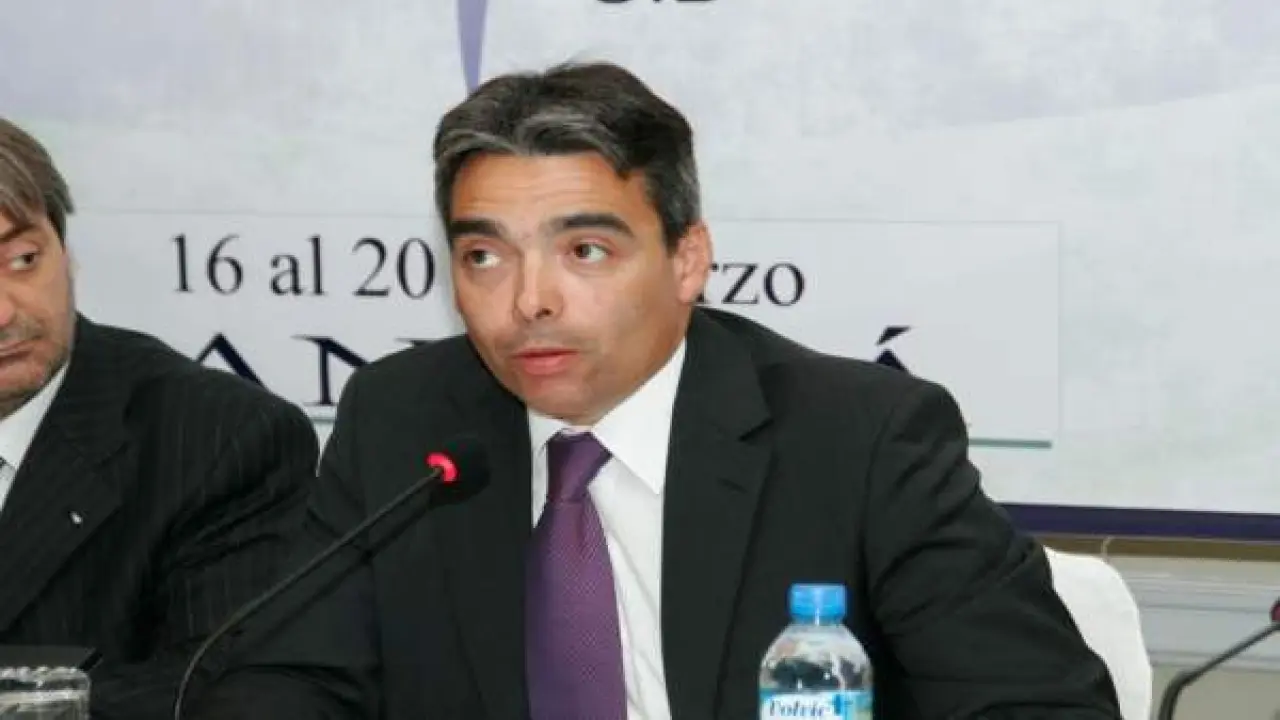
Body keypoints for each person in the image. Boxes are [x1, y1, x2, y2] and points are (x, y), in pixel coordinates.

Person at [195, 62, 1122, 719]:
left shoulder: (860, 439)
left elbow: (1036, 703)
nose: (529, 301)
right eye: (483, 256)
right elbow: (288, 680)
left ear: (688, 260)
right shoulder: (403, 421)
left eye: (585, 250)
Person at [0, 118, 319, 719]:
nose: (5, 311)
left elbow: (221, 694)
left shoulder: (218, 440)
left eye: (23, 259)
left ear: (65, 252)